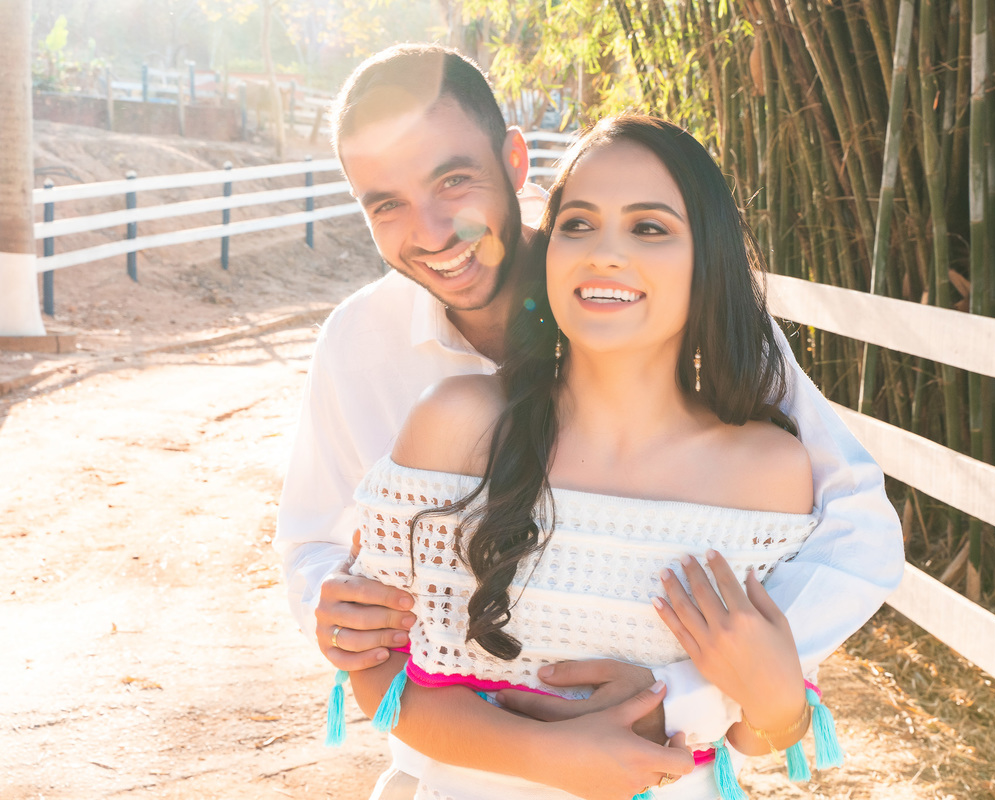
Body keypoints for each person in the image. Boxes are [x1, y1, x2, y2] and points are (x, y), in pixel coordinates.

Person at [274, 43, 903, 799]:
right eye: (387, 204)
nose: (434, 230)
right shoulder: (381, 360)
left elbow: (855, 526)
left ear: (514, 163)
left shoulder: (751, 433)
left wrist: (706, 693)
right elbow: (323, 560)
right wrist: (338, 611)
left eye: (454, 180)